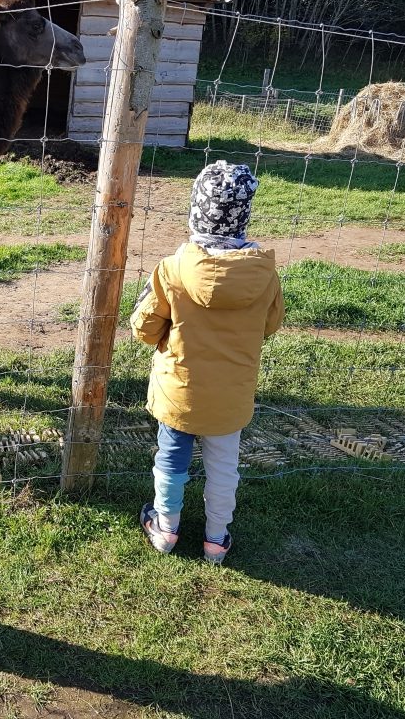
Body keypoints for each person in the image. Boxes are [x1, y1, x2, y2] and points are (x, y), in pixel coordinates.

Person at [130, 160, 284, 564]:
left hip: (179, 390)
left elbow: (144, 327)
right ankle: (216, 538)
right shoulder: (264, 274)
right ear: (244, 214)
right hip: (231, 394)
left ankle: (165, 529)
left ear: (196, 210)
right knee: (223, 466)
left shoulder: (172, 269)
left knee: (171, 458)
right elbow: (270, 325)